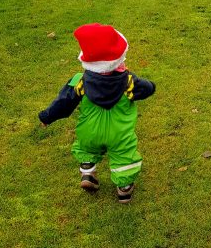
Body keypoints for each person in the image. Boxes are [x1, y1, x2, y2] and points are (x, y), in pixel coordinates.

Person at [39, 23, 156, 204]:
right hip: (119, 133)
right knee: (124, 155)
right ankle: (124, 188)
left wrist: (47, 117)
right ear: (119, 60)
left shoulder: (79, 81)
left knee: (87, 149)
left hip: (89, 130)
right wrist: (151, 85)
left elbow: (63, 102)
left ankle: (88, 173)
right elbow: (147, 89)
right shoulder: (129, 82)